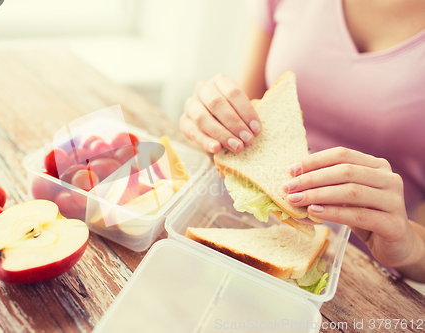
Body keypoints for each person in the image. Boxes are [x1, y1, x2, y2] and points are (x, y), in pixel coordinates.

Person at [179, 0, 425, 282]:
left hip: (366, 279)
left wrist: (412, 248)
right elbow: (246, 123)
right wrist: (215, 121)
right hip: (236, 223)